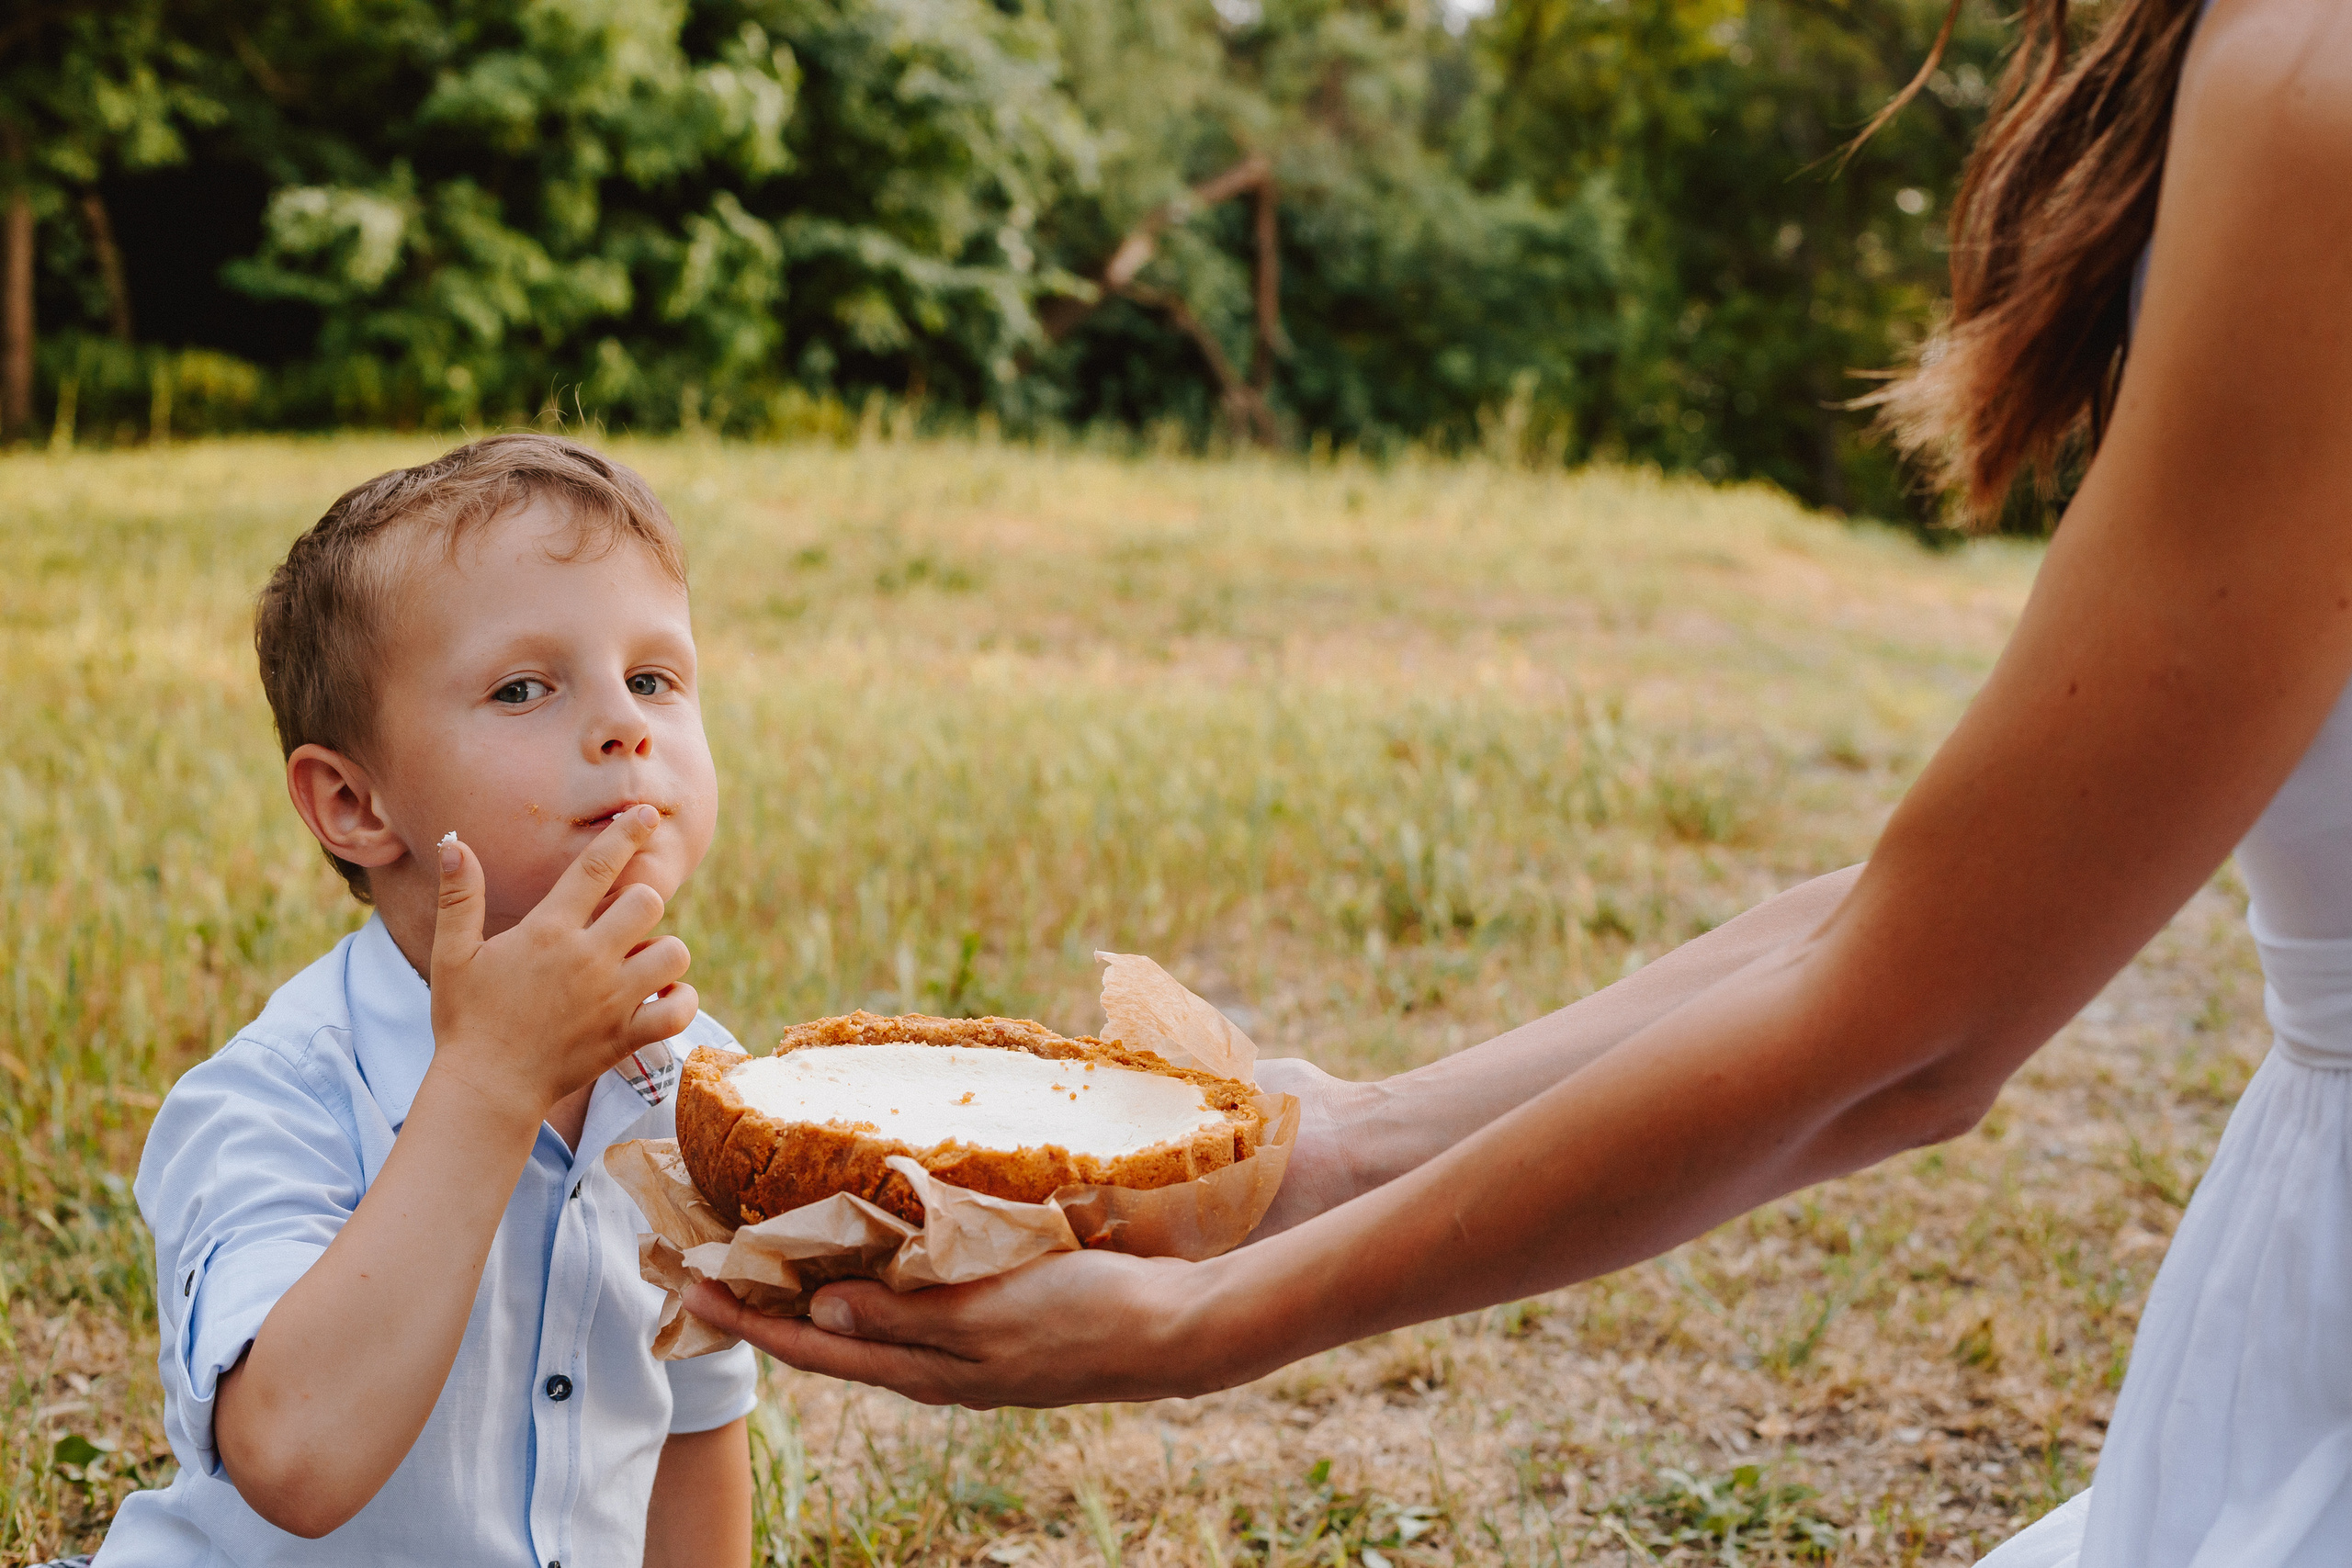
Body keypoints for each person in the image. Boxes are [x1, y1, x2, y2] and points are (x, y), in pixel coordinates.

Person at [687, 1, 2352, 1562]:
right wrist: (1337, 1144)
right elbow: (1929, 921)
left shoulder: (2307, 84)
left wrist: (1217, 1323)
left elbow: (1913, 1033)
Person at [96, 435, 755, 1566]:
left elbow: (694, 1425)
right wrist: (493, 1080)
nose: (624, 723)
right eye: (522, 688)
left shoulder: (695, 1081)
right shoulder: (278, 1097)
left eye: (652, 677)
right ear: (353, 802)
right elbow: (295, 1460)